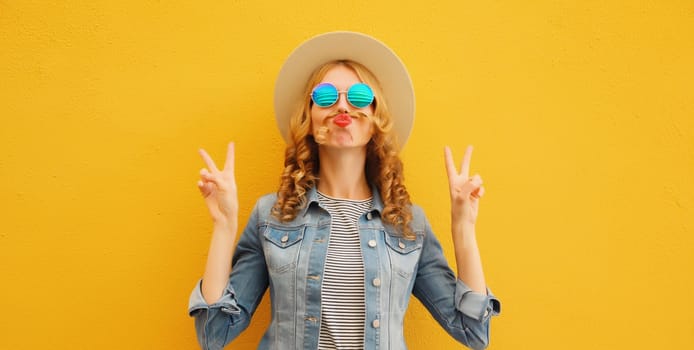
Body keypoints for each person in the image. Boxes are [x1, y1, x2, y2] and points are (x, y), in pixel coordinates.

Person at [188, 31, 501, 350]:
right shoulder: (272, 216)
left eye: (359, 96)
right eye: (325, 96)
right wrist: (223, 227)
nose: (342, 106)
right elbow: (214, 334)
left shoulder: (408, 224)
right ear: (309, 117)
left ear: (376, 117)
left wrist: (463, 228)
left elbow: (473, 332)